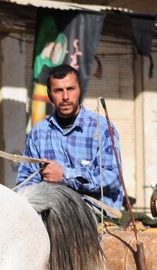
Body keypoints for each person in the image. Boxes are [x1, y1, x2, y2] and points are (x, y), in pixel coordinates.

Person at [16, 64, 125, 210]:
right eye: (58, 90)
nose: (65, 97)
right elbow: (25, 183)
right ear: (50, 95)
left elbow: (113, 178)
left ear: (80, 90)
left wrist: (65, 175)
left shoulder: (103, 128)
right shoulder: (39, 132)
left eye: (70, 89)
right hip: (53, 213)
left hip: (95, 215)